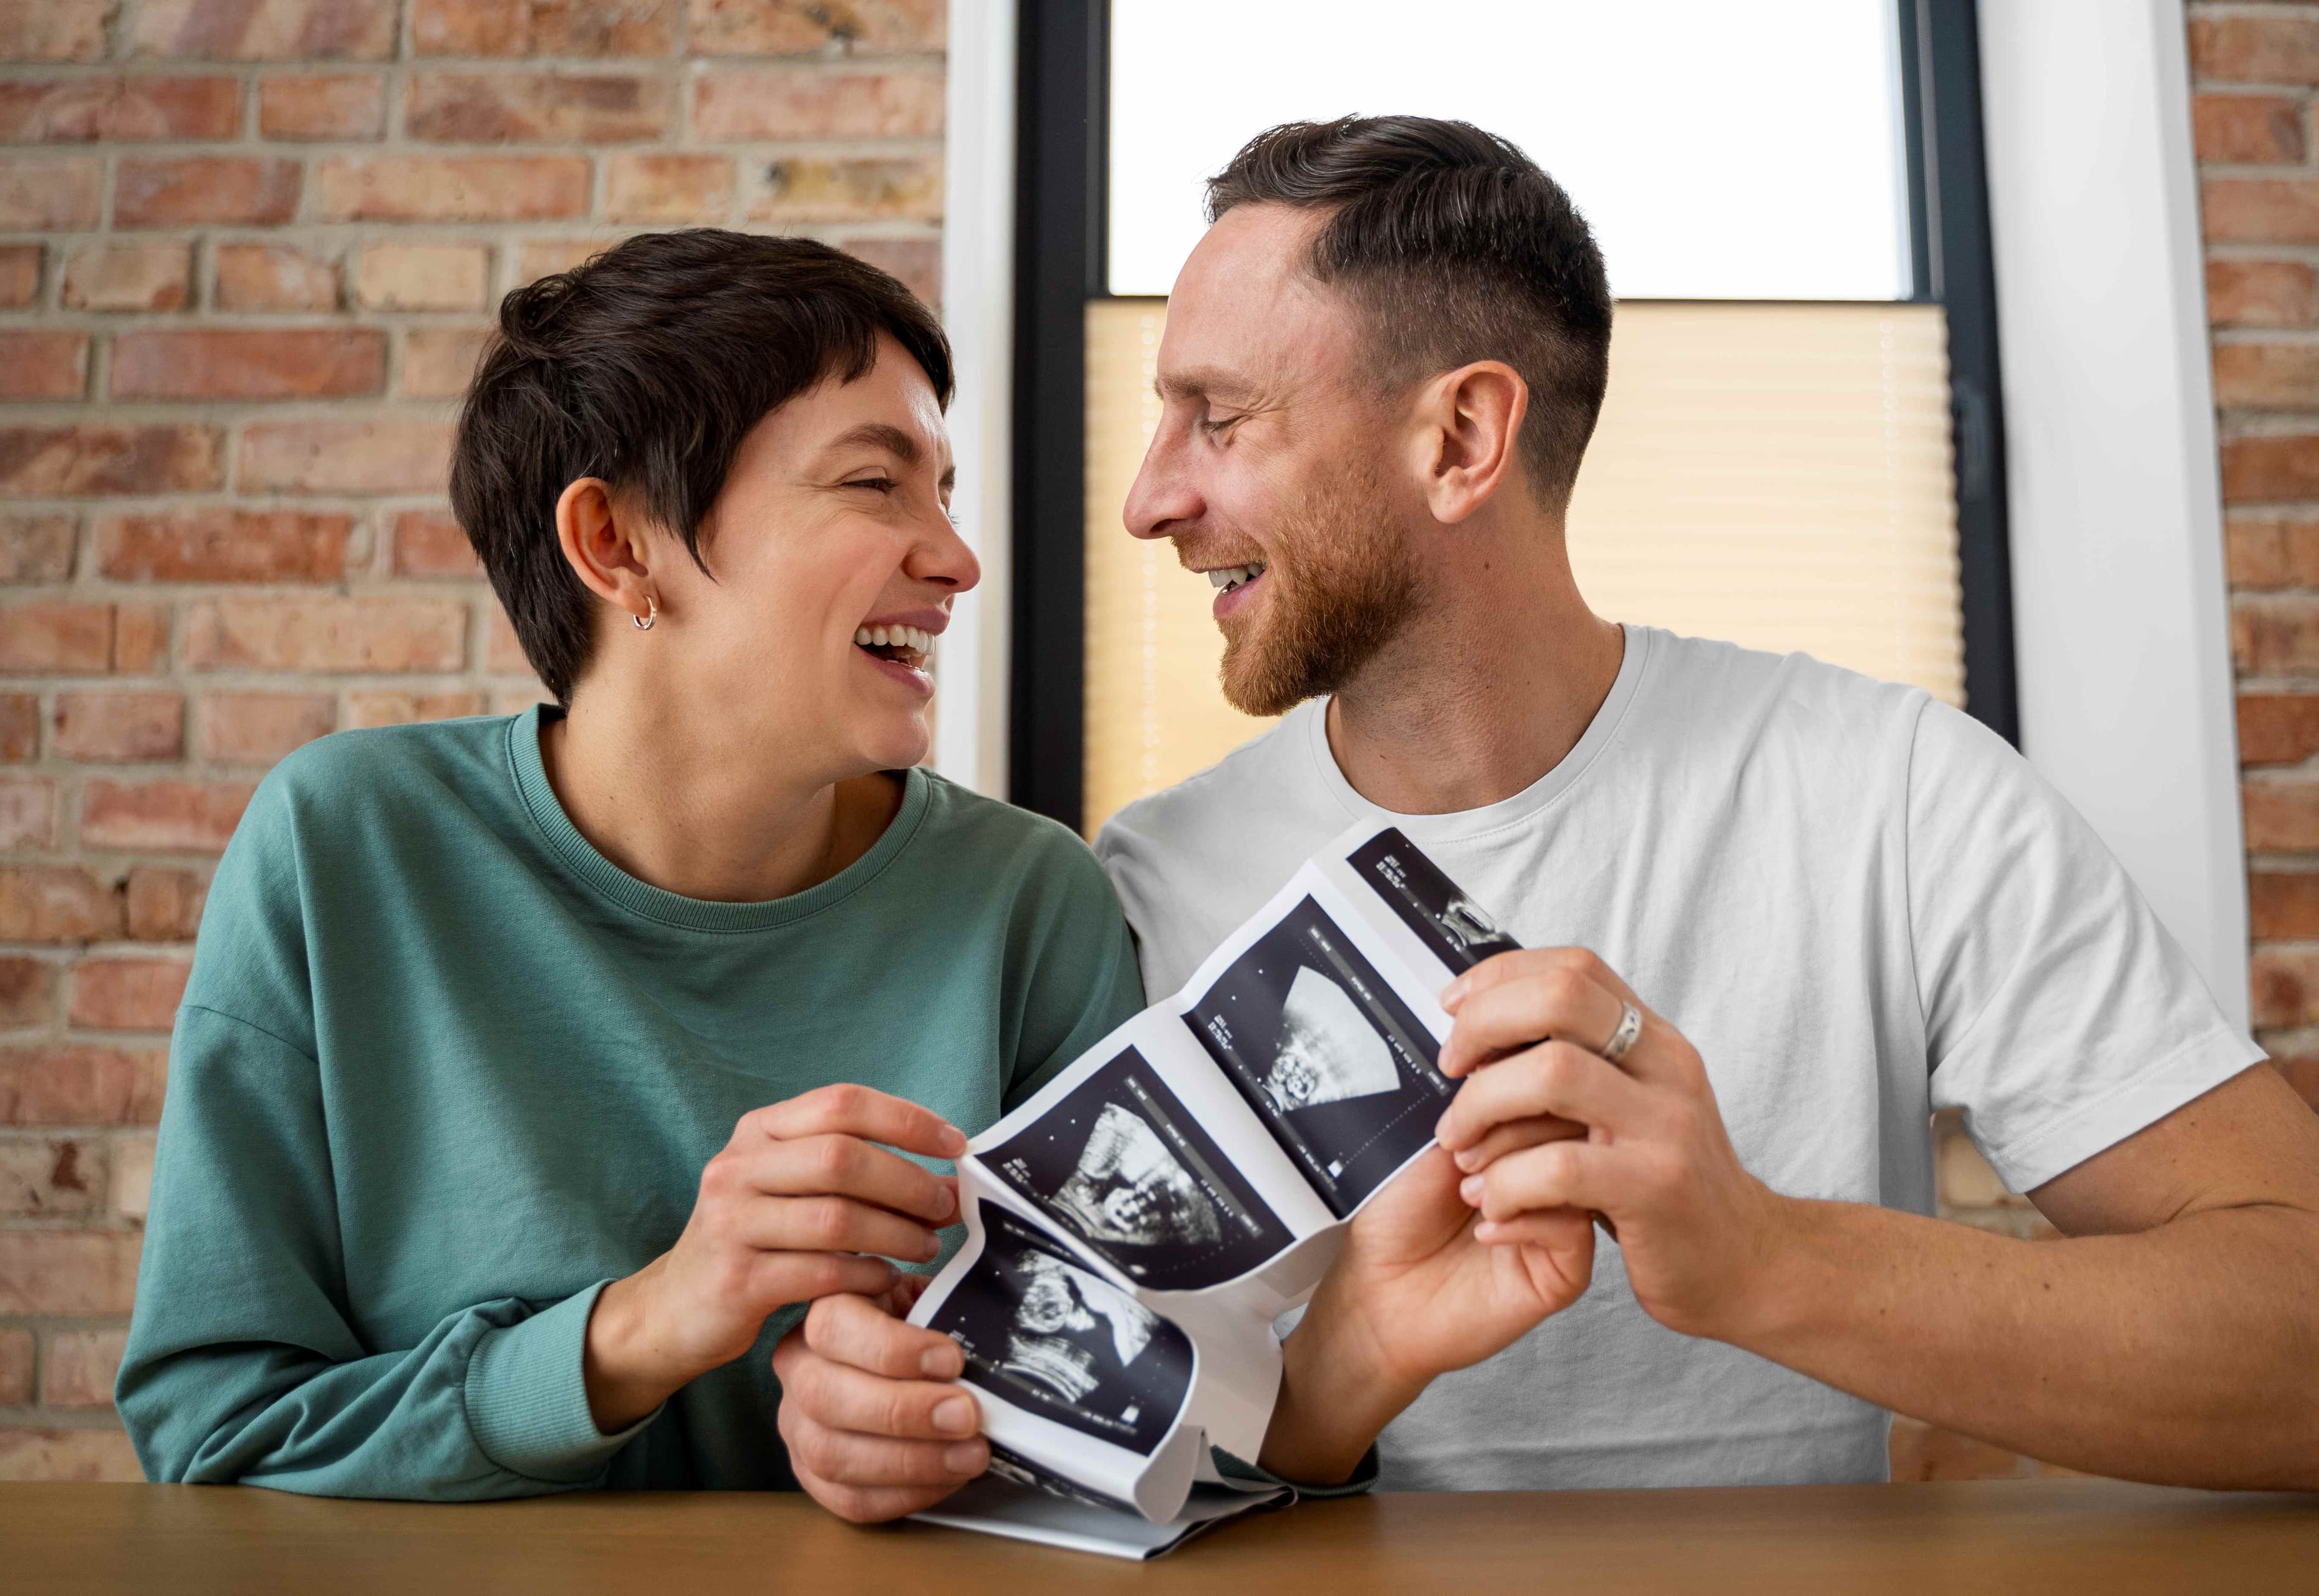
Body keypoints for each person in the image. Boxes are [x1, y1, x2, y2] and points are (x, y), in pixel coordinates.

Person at [776, 116, 2319, 1502]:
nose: (1149, 498)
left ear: (1460, 439)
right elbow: (1125, 1441)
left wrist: (1762, 1257)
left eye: (1218, 419)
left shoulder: (1895, 795)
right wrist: (901, 1417)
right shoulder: (1155, 882)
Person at [114, 230, 1147, 1499]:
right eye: (877, 483)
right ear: (615, 543)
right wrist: (645, 1324)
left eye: (944, 489)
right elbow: (217, 1438)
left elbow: (1133, 1419)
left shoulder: (1032, 905)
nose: (956, 557)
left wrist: (953, 1438)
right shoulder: (348, 849)